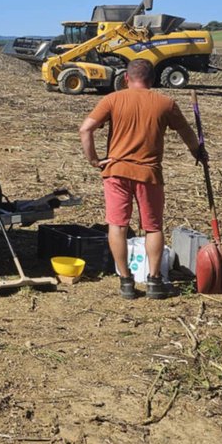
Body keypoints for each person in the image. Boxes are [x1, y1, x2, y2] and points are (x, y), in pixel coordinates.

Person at [78, 58, 205, 299]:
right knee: (153, 227)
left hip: (116, 172)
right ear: (153, 79)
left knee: (118, 225)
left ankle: (126, 281)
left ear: (126, 78)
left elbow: (85, 129)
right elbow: (188, 133)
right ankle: (155, 281)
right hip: (149, 174)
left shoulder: (112, 99)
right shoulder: (165, 103)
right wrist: (198, 152)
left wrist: (94, 160)